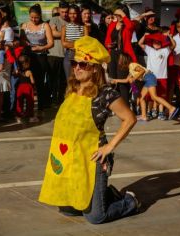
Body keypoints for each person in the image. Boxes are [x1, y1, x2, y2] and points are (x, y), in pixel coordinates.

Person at [39, 36, 139, 224]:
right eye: (74, 63)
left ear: (94, 68)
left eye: (82, 64)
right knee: (68, 209)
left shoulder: (106, 93)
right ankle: (106, 195)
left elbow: (130, 119)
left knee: (95, 217)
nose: (76, 67)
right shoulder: (72, 89)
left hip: (93, 159)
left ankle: (130, 201)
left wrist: (109, 147)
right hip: (69, 157)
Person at [112, 60, 179, 122]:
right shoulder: (130, 70)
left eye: (121, 63)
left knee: (154, 97)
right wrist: (116, 80)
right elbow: (127, 80)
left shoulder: (132, 65)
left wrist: (134, 78)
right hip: (147, 79)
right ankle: (144, 116)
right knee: (141, 98)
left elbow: (142, 71)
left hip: (149, 77)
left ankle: (171, 108)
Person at [21, 4, 54, 111]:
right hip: (27, 57)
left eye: (36, 17)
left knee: (39, 82)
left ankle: (41, 105)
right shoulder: (24, 25)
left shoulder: (45, 25)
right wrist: (25, 43)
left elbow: (51, 43)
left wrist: (40, 48)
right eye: (32, 17)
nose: (34, 19)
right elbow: (21, 41)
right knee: (26, 81)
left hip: (41, 57)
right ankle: (26, 106)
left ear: (40, 16)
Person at [138, 32, 176, 120]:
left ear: (161, 43)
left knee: (159, 96)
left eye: (159, 42)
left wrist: (170, 37)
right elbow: (140, 43)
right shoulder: (149, 49)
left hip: (161, 77)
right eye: (155, 42)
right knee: (145, 97)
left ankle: (164, 111)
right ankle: (145, 115)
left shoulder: (165, 50)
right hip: (150, 76)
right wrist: (144, 35)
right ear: (152, 43)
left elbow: (173, 45)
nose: (157, 43)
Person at [105, 6, 136, 104]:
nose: (119, 17)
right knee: (112, 82)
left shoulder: (128, 25)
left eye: (121, 15)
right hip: (113, 54)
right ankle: (115, 105)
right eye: (118, 15)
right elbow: (107, 40)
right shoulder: (112, 24)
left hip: (124, 56)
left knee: (123, 82)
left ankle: (126, 106)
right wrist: (108, 45)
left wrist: (123, 15)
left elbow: (131, 26)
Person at [48, 1, 68, 105]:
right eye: (63, 12)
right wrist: (66, 34)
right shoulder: (54, 19)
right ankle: (51, 99)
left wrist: (59, 34)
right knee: (52, 79)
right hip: (53, 54)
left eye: (66, 12)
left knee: (63, 81)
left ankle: (60, 100)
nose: (65, 14)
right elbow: (53, 33)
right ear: (59, 10)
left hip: (65, 56)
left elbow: (57, 33)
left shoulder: (70, 21)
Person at [61, 4, 87, 79]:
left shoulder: (84, 27)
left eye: (74, 13)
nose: (72, 15)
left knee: (80, 80)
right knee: (69, 80)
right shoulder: (64, 27)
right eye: (70, 13)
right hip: (69, 55)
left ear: (78, 14)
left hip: (81, 56)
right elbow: (63, 44)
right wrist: (78, 43)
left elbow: (86, 43)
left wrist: (70, 43)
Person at [15, 55, 39, 123]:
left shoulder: (18, 71)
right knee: (30, 102)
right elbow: (32, 81)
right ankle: (30, 117)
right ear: (27, 63)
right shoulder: (29, 72)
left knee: (19, 102)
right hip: (28, 87)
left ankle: (18, 117)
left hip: (20, 87)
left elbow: (15, 75)